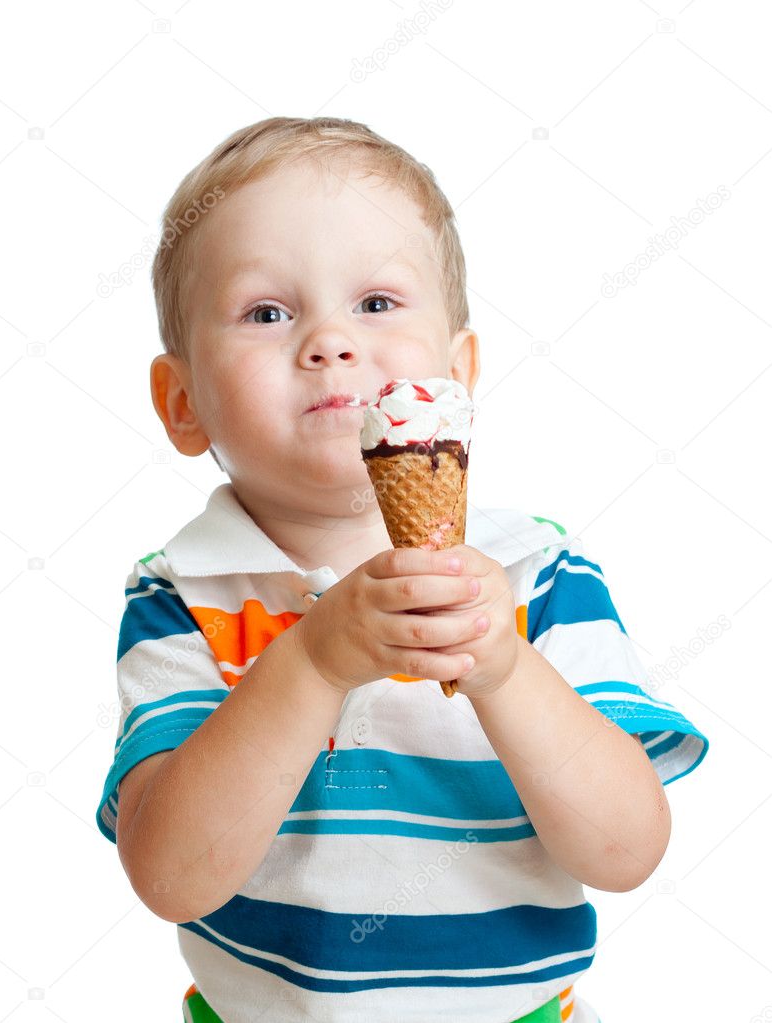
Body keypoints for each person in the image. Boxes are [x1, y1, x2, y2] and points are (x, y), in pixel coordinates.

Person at [95, 116, 709, 1023]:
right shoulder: (182, 596)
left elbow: (624, 853)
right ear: (183, 404)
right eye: (268, 312)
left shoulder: (539, 577)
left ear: (456, 374)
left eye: (376, 304)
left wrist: (502, 666)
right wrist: (310, 661)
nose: (330, 341)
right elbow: (173, 876)